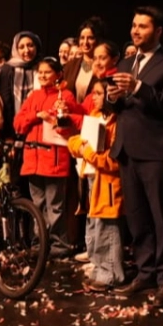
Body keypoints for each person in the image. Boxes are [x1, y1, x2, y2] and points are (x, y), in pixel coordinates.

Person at [108, 6, 163, 302]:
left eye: (143, 26)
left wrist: (139, 87)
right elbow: (120, 107)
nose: (136, 31)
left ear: (158, 31)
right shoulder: (126, 62)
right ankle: (145, 273)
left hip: (155, 151)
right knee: (138, 218)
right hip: (128, 150)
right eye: (134, 25)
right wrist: (113, 98)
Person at [11, 58, 80, 259]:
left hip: (55, 158)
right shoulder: (34, 95)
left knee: (55, 206)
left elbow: (70, 126)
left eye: (47, 72)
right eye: (40, 72)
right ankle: (40, 242)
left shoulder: (66, 96)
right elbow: (18, 124)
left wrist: (53, 116)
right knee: (37, 205)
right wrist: (36, 115)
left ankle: (59, 244)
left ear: (58, 74)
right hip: (33, 159)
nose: (42, 76)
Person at [67, 109, 124, 291]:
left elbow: (113, 160)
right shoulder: (95, 116)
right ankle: (100, 269)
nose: (95, 97)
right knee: (96, 228)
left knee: (107, 230)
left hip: (108, 183)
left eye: (99, 95)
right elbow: (74, 141)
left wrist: (88, 153)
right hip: (92, 179)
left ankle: (111, 274)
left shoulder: (117, 122)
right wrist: (81, 147)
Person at [0, 31, 41, 128]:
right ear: (15, 49)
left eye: (30, 45)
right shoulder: (6, 69)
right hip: (12, 126)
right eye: (21, 47)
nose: (27, 50)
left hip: (38, 124)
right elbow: (4, 103)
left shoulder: (43, 67)